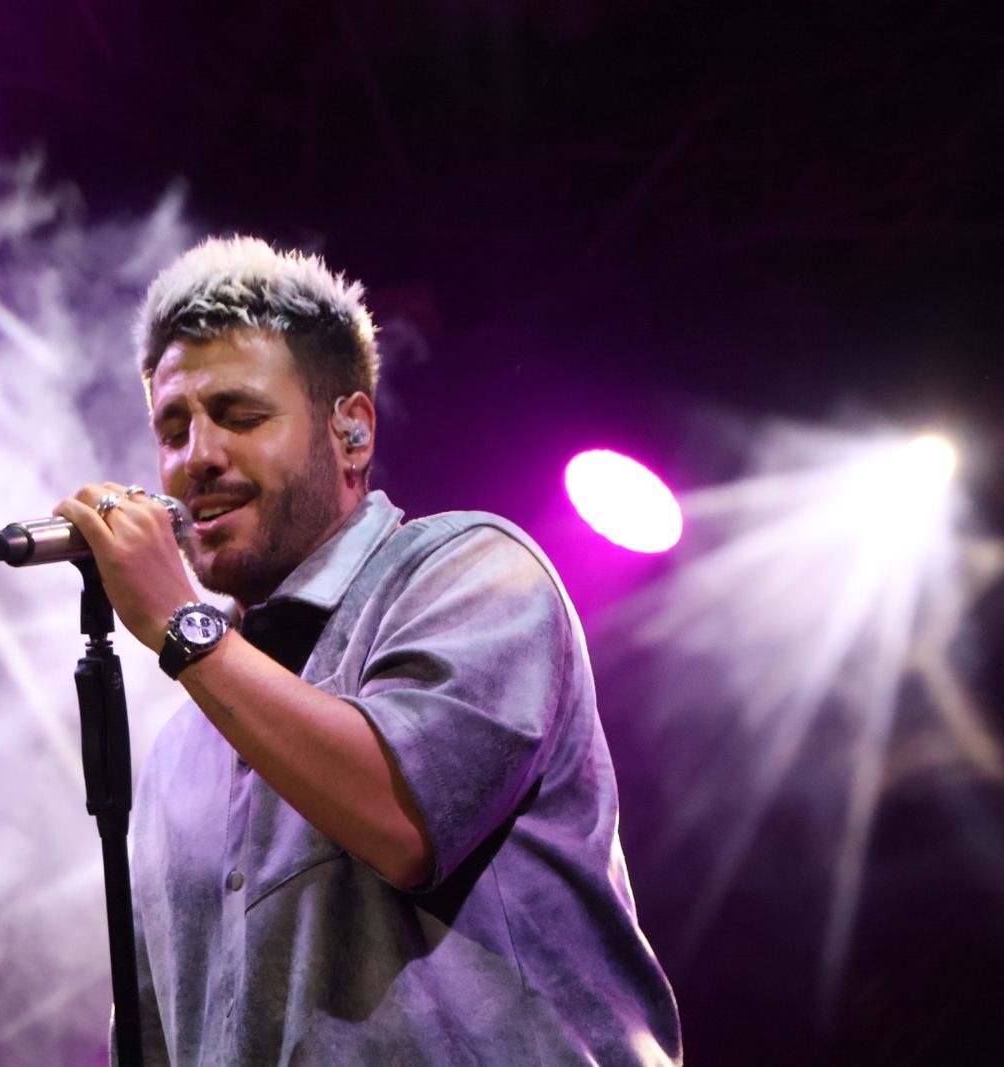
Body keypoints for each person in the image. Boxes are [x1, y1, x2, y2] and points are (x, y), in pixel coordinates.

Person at [56, 236, 681, 1066]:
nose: (195, 458)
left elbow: (403, 819)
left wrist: (179, 622)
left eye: (239, 415)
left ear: (350, 431)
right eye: (174, 428)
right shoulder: (180, 756)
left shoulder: (470, 573)